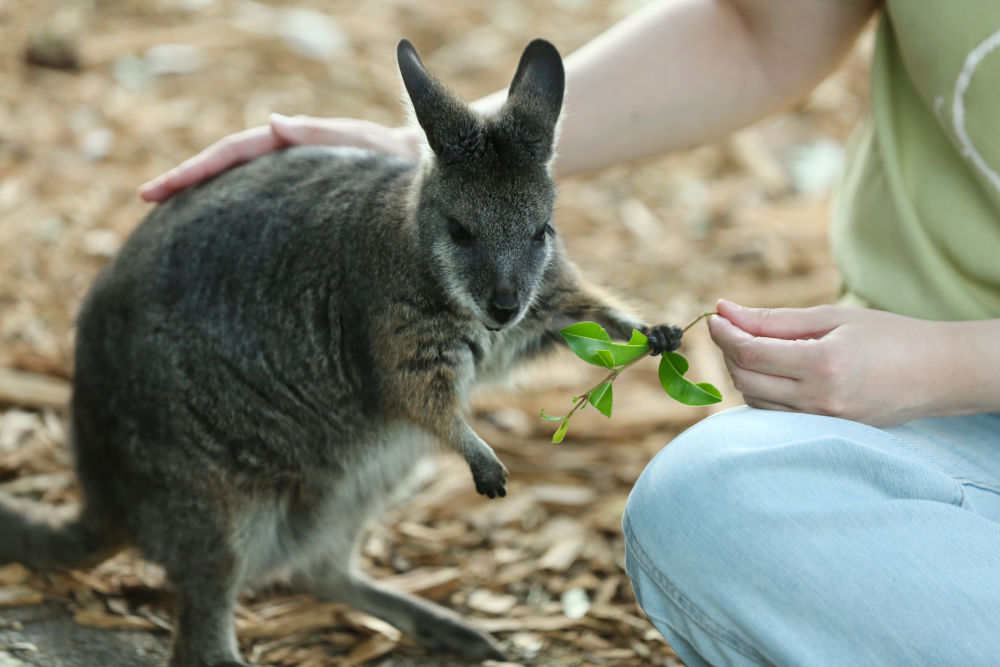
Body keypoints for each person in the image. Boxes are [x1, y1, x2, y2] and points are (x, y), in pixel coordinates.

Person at [139, 1, 1000, 663]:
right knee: (704, 507)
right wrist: (415, 150)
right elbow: (755, 28)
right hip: (926, 444)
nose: (515, 291)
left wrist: (946, 362)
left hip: (932, 378)